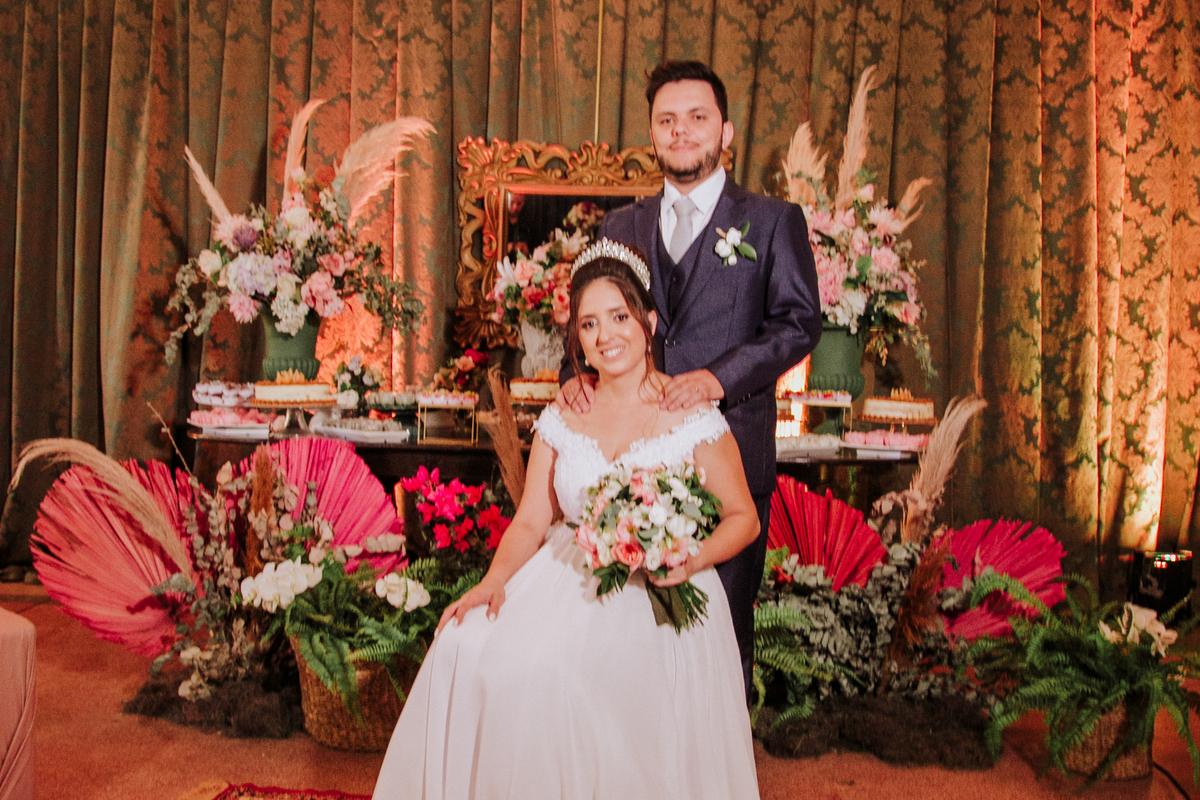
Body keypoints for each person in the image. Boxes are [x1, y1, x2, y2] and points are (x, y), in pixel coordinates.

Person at [372, 242, 761, 799]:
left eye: (620, 316)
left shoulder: (691, 415)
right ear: (576, 338)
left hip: (655, 590)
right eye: (589, 324)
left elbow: (743, 518)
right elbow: (532, 519)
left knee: (557, 678)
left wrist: (689, 557)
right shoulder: (565, 411)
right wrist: (493, 581)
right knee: (463, 645)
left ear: (649, 322)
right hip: (564, 574)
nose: (606, 336)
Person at [559, 60, 822, 685]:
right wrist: (575, 374)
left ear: (725, 131)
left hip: (727, 459)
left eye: (697, 118)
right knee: (626, 650)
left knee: (719, 642)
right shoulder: (621, 225)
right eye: (667, 120)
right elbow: (593, 315)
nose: (681, 131)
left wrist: (717, 379)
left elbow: (798, 323)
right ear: (652, 133)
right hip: (631, 467)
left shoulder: (773, 220)